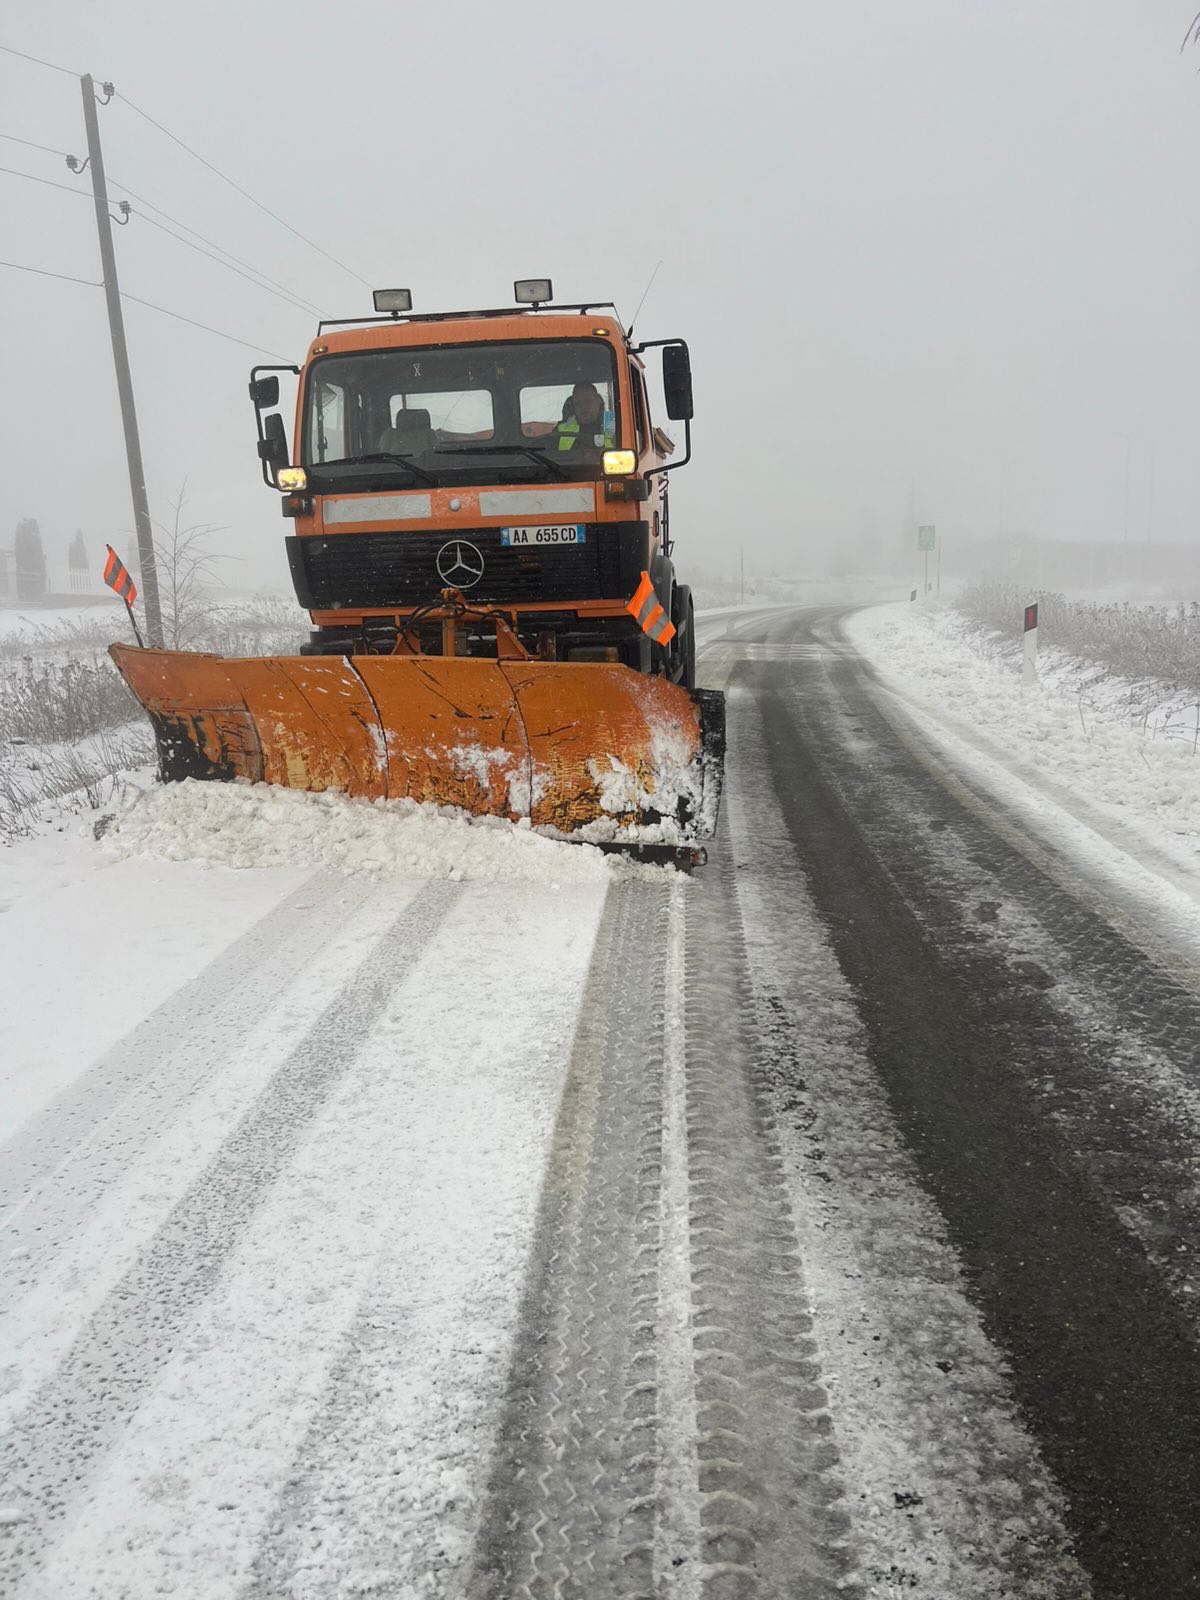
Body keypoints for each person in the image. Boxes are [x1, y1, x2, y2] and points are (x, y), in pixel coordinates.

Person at [554, 383, 615, 457]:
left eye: (588, 402)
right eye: (577, 404)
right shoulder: (560, 431)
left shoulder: (615, 427)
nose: (583, 407)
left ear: (598, 402)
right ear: (573, 406)